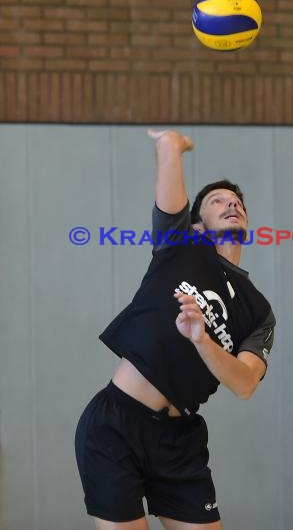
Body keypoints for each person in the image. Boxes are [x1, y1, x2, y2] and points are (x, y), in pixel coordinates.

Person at [75, 130, 276, 530]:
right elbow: (170, 198)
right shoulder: (180, 248)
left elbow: (245, 383)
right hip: (116, 423)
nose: (232, 204)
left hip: (180, 439)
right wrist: (171, 146)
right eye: (218, 201)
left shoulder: (258, 310)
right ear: (197, 226)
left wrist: (202, 340)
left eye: (237, 202)